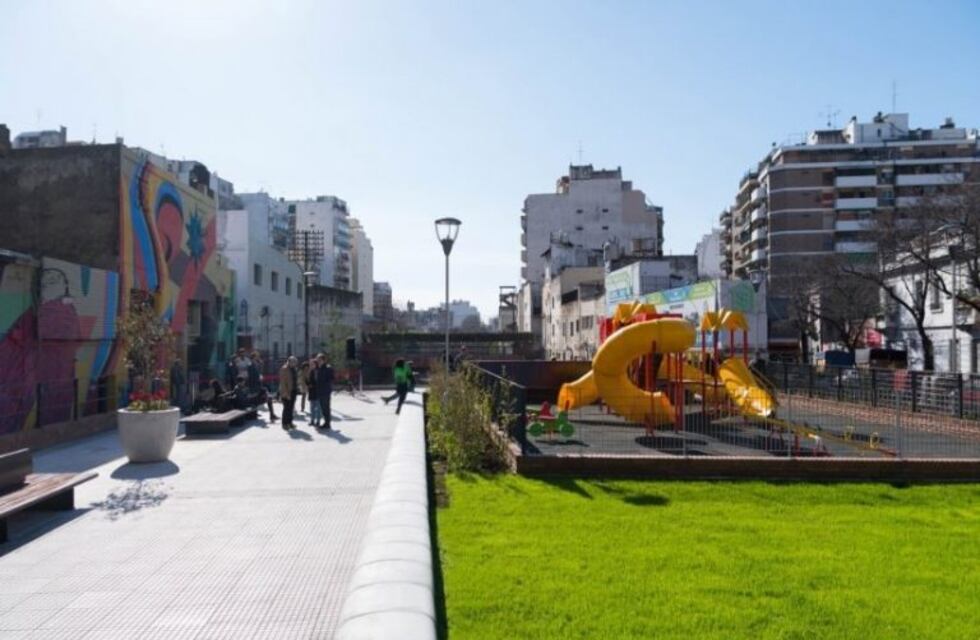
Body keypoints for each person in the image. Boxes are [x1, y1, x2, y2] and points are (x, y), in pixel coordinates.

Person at [249, 351, 278, 423]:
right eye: (257, 356)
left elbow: (259, 373)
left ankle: (272, 415)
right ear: (253, 357)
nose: (258, 357)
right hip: (255, 387)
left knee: (268, 398)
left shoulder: (256, 364)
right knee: (266, 398)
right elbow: (251, 377)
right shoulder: (251, 365)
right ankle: (271, 415)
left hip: (259, 385)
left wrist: (260, 367)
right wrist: (258, 378)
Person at [315, 353, 334, 429]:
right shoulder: (318, 368)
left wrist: (325, 384)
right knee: (323, 408)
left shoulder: (328, 368)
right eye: (317, 359)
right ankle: (326, 422)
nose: (318, 361)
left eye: (319, 359)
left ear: (323, 360)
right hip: (320, 391)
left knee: (326, 407)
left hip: (325, 391)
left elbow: (331, 379)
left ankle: (327, 423)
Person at [279, 356, 298, 430]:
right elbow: (283, 383)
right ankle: (284, 424)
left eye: (295, 362)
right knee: (286, 408)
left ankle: (290, 422)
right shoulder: (284, 369)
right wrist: (287, 394)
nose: (295, 364)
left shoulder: (293, 368)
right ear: (289, 361)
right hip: (286, 392)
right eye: (294, 362)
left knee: (291, 408)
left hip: (293, 390)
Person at [307, 358, 322, 427]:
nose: (311, 365)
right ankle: (312, 420)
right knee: (312, 407)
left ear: (316, 364)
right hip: (312, 392)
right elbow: (309, 381)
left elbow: (319, 382)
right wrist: (308, 383)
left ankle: (318, 421)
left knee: (318, 408)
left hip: (318, 392)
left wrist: (312, 384)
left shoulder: (319, 371)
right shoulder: (311, 371)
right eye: (310, 364)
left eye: (312, 364)